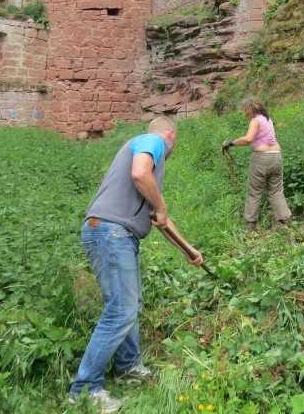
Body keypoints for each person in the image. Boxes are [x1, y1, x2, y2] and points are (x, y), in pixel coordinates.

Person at [69, 116, 204, 413]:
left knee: (129, 303)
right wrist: (162, 205)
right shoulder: (153, 141)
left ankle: (128, 366)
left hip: (112, 233)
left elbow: (160, 219)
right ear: (171, 134)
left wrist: (188, 250)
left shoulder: (149, 174)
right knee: (121, 309)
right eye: (175, 141)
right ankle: (84, 389)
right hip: (111, 232)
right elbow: (140, 174)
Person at [224, 98, 293, 232]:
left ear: (250, 109)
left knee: (254, 192)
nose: (245, 113)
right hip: (276, 156)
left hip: (262, 159)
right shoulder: (267, 119)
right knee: (276, 191)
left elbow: (248, 139)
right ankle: (286, 220)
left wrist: (230, 142)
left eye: (245, 110)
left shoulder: (255, 120)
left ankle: (250, 226)